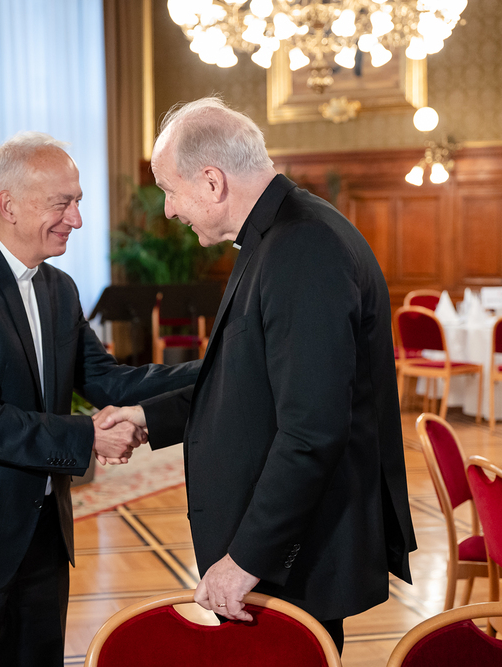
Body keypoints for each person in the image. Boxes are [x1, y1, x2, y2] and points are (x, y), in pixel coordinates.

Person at [95, 98, 417, 653]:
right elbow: (245, 376)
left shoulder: (303, 245)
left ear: (212, 181)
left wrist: (246, 559)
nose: (168, 210)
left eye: (170, 190)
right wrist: (150, 416)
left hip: (296, 553)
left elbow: (312, 429)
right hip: (287, 547)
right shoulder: (277, 234)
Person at [0, 131, 200, 667]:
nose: (76, 219)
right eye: (62, 204)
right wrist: (90, 436)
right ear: (8, 204)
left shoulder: (58, 287)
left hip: (43, 535)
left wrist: (221, 367)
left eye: (77, 202)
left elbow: (109, 382)